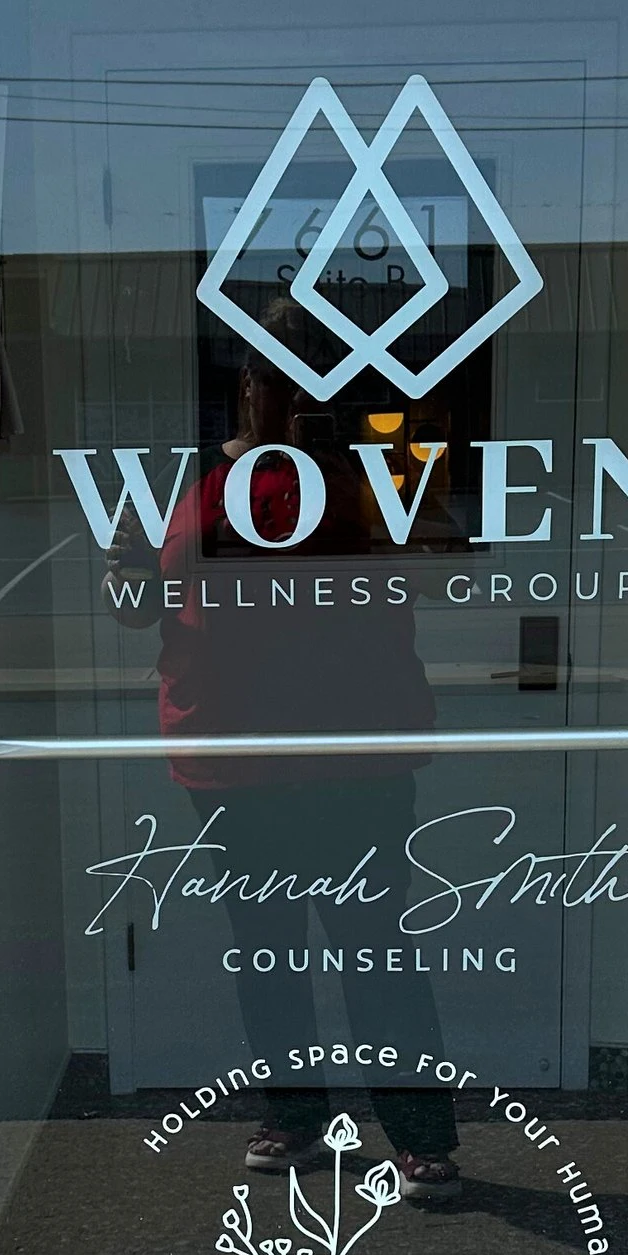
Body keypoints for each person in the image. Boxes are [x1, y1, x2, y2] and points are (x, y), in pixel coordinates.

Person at [123, 342, 462, 1198]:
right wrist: (123, 576)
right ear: (245, 389)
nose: (290, 398)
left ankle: (420, 1136)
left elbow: (423, 569)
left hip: (355, 754)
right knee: (267, 953)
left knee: (376, 951)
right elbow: (145, 605)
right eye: (275, 379)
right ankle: (296, 1116)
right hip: (236, 761)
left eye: (312, 384)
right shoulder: (198, 485)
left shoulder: (368, 478)